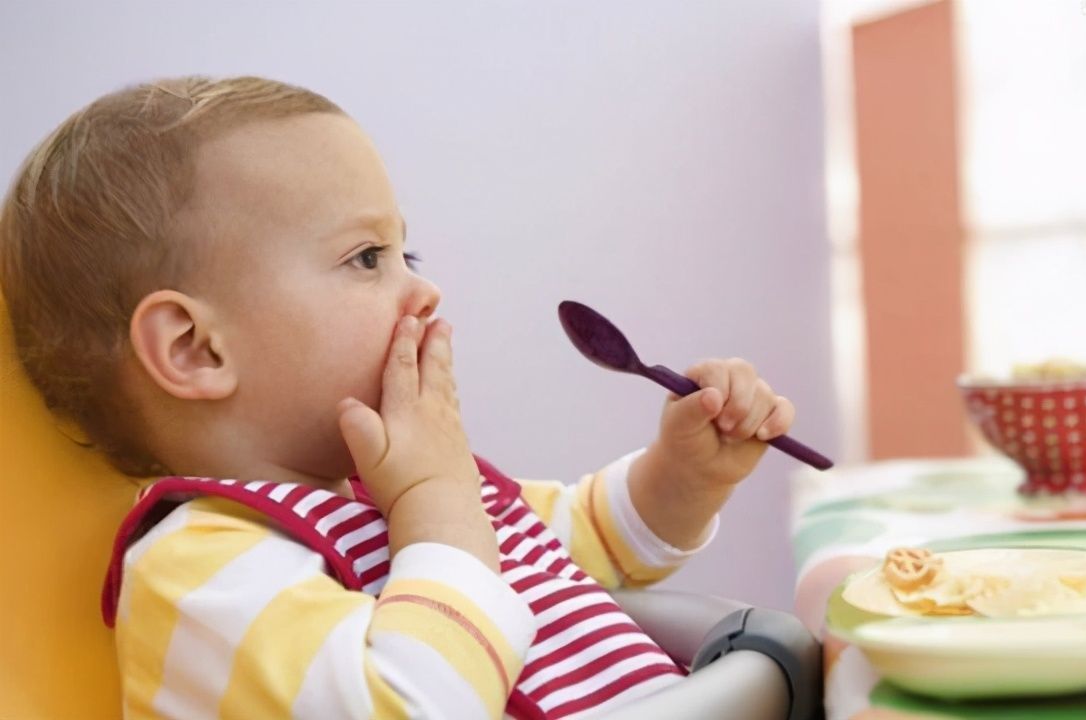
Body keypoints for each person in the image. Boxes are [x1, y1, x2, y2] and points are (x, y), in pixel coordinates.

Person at [0, 76, 797, 720]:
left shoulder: (411, 492)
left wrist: (685, 474)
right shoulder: (199, 573)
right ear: (197, 349)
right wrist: (437, 505)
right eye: (367, 256)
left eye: (404, 249)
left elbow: (588, 543)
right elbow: (410, 705)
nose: (423, 288)